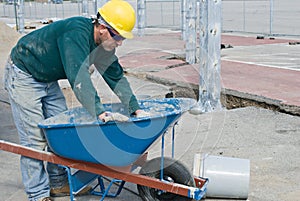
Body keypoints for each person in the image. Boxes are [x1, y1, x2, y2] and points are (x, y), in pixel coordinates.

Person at [3, 0, 147, 200]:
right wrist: (99, 112)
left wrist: (135, 108)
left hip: (46, 77)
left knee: (60, 131)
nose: (120, 42)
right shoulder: (76, 33)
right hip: (24, 74)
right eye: (118, 36)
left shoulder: (104, 44)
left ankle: (58, 183)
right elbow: (79, 80)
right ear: (103, 28)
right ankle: (37, 194)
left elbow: (114, 75)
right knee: (34, 140)